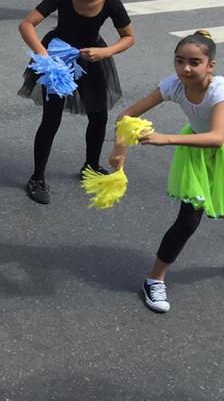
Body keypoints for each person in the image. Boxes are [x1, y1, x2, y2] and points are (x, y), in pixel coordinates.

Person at [108, 31, 222, 314]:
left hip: (213, 145)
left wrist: (166, 138)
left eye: (195, 62)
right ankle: (155, 279)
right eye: (180, 61)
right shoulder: (174, 86)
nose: (186, 68)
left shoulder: (219, 91)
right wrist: (119, 150)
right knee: (188, 218)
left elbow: (218, 137)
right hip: (197, 152)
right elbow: (126, 116)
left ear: (211, 65)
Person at [18, 0, 135, 205]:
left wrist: (105, 52)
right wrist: (44, 57)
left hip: (91, 59)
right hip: (57, 58)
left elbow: (129, 37)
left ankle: (90, 166)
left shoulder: (111, 1)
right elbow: (26, 24)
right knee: (51, 119)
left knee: (98, 115)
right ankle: (37, 177)